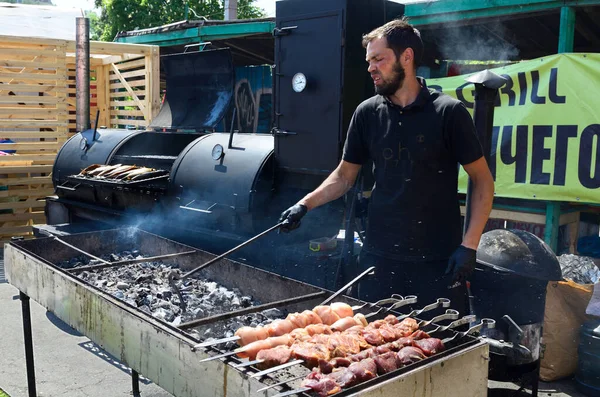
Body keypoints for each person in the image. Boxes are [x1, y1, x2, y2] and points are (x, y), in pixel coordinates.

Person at [278, 18, 494, 314]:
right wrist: (304, 205)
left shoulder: (448, 113)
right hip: (379, 257)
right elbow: (344, 176)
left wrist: (469, 246)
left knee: (437, 346)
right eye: (369, 61)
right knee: (375, 345)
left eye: (379, 59)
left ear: (407, 57)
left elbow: (482, 180)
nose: (371, 68)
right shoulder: (367, 113)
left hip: (437, 260)